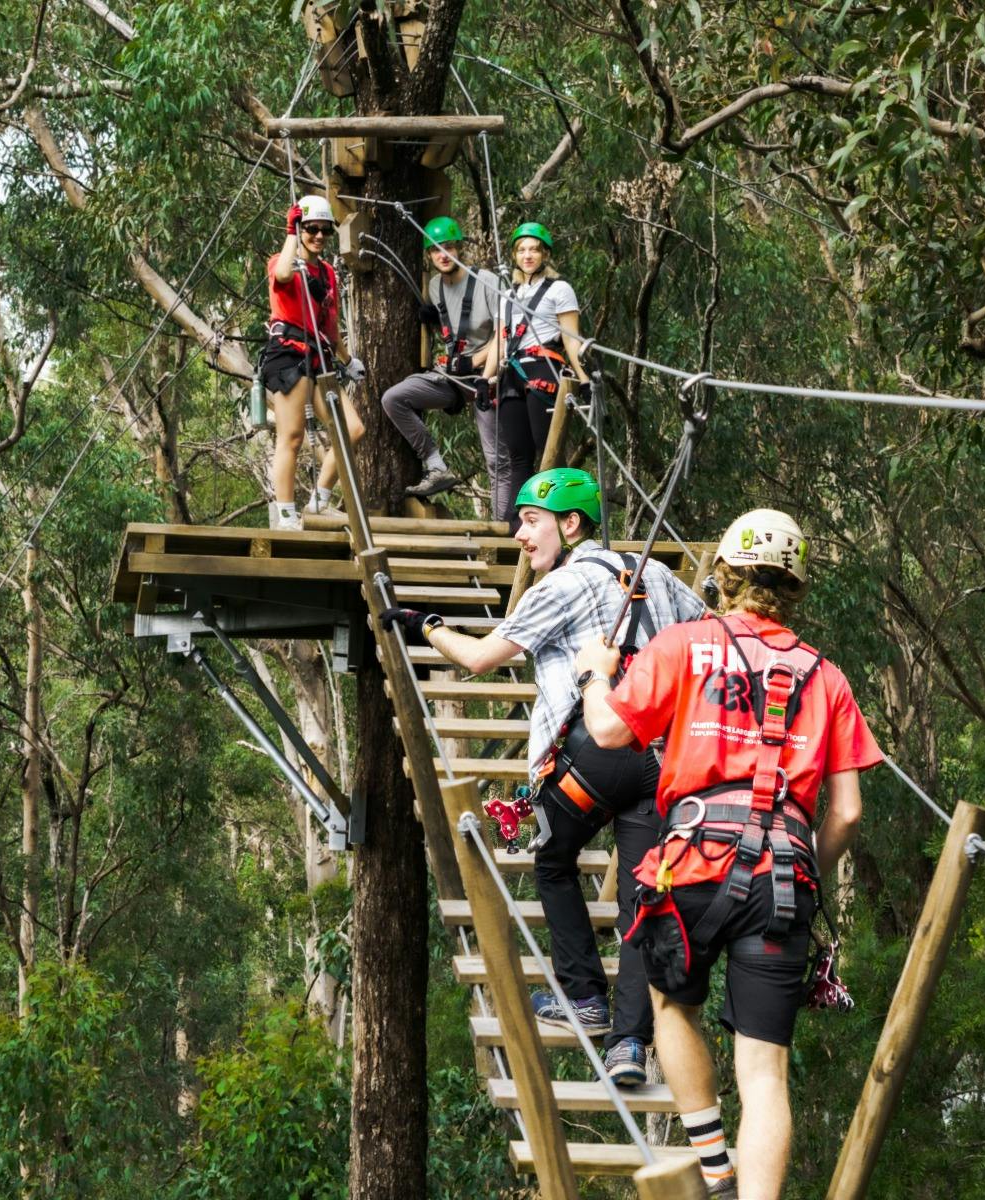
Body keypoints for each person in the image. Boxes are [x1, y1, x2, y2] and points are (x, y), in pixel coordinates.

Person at [572, 508, 881, 1200]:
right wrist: (803, 875)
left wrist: (596, 672)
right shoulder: (825, 677)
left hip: (690, 867)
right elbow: (850, 811)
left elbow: (607, 732)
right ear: (795, 586)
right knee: (766, 1073)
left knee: (669, 1005)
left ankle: (713, 1160)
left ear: (724, 575)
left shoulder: (685, 644)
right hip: (783, 881)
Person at [380, 468, 709, 1100]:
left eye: (530, 521)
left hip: (594, 754)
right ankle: (628, 1044)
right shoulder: (658, 576)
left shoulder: (561, 584)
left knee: (553, 859)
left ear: (571, 524)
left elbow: (477, 659)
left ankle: (585, 998)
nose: (519, 536)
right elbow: (704, 630)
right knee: (640, 899)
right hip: (661, 761)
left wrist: (424, 624)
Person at [379, 216, 509, 509]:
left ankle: (506, 526)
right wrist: (435, 324)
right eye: (436, 250)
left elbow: (503, 336)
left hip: (486, 377)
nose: (443, 254)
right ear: (429, 255)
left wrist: (477, 368)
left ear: (459, 249)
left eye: (448, 247)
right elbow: (455, 331)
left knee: (495, 458)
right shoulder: (435, 285)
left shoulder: (487, 282)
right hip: (451, 375)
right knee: (394, 398)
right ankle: (436, 465)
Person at [261, 194, 366, 530]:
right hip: (287, 354)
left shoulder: (328, 273)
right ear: (299, 229)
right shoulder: (283, 259)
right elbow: (283, 275)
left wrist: (348, 361)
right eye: (311, 229)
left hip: (318, 356)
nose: (318, 236)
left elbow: (330, 326)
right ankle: (286, 514)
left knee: (352, 429)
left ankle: (319, 501)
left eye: (325, 230)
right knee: (291, 436)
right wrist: (292, 232)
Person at [483, 223, 591, 529]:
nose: (528, 255)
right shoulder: (507, 295)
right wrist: (484, 378)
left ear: (545, 254)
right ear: (515, 255)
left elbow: (571, 337)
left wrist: (583, 379)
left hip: (544, 369)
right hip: (511, 375)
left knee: (548, 450)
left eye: (534, 249)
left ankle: (558, 517)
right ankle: (518, 521)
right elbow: (499, 341)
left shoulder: (559, 289)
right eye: (522, 249)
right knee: (519, 454)